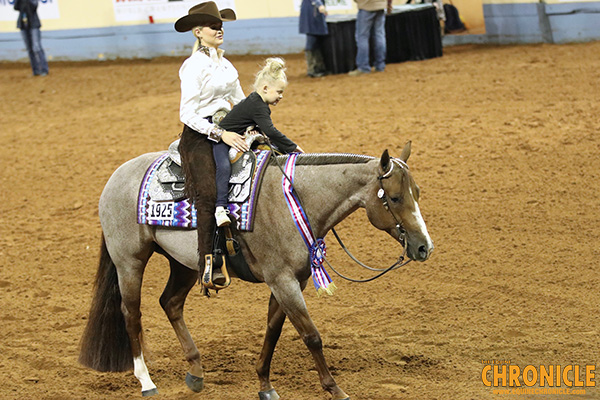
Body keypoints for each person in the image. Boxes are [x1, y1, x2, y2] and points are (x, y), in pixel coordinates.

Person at [175, 2, 250, 279]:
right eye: (213, 26)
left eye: (220, 25)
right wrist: (219, 133)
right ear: (198, 32)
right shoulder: (193, 66)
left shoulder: (226, 64)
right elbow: (187, 113)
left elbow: (240, 100)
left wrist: (255, 120)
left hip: (229, 127)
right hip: (199, 136)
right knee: (206, 194)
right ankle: (209, 263)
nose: (219, 30)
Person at [348, 0, 393, 76]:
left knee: (362, 37)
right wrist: (389, 4)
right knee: (379, 35)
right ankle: (380, 65)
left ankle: (363, 67)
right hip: (381, 6)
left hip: (366, 7)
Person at [13, 0, 49, 77]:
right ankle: (35, 70)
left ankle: (44, 69)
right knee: (29, 49)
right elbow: (16, 7)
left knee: (36, 47)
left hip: (34, 24)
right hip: (23, 24)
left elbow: (34, 6)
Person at [299, 0, 329, 78]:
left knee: (316, 43)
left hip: (315, 14)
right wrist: (320, 5)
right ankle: (312, 70)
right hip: (311, 15)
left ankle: (319, 68)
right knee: (311, 44)